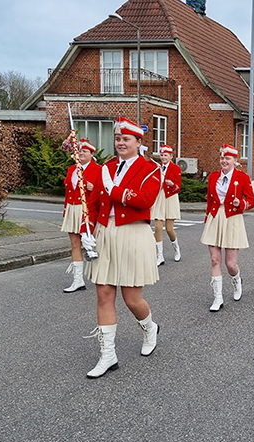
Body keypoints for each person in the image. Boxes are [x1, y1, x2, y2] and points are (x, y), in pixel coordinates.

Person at [79, 116, 162, 379]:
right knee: (103, 294)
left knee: (132, 299)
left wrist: (114, 189)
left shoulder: (151, 169)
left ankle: (149, 327)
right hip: (105, 232)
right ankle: (108, 355)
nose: (121, 143)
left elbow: (145, 200)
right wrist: (86, 229)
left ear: (139, 142)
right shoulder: (106, 167)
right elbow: (91, 202)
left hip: (133, 233)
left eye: (126, 139)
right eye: (117, 139)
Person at [200, 144, 254, 312]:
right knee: (214, 260)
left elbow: (252, 201)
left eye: (227, 158)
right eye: (222, 158)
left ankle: (236, 280)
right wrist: (207, 218)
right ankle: (218, 298)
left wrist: (241, 204)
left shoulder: (243, 178)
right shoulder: (213, 177)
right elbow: (210, 200)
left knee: (230, 264)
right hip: (215, 218)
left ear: (234, 161)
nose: (224, 161)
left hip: (233, 219)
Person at [61, 138, 101, 293]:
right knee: (74, 243)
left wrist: (94, 188)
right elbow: (68, 191)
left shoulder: (98, 169)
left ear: (92, 154)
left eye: (85, 151)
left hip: (87, 210)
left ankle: (103, 276)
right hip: (72, 208)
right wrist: (66, 210)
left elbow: (104, 192)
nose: (82, 153)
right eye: (80, 151)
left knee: (92, 245)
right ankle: (78, 280)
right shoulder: (72, 169)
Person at [150, 144, 182, 265]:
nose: (163, 157)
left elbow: (178, 187)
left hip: (170, 197)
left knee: (169, 229)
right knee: (158, 227)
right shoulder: (157, 168)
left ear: (171, 156)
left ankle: (177, 249)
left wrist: (172, 184)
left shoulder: (176, 168)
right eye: (162, 155)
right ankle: (160, 256)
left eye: (166, 155)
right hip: (159, 197)